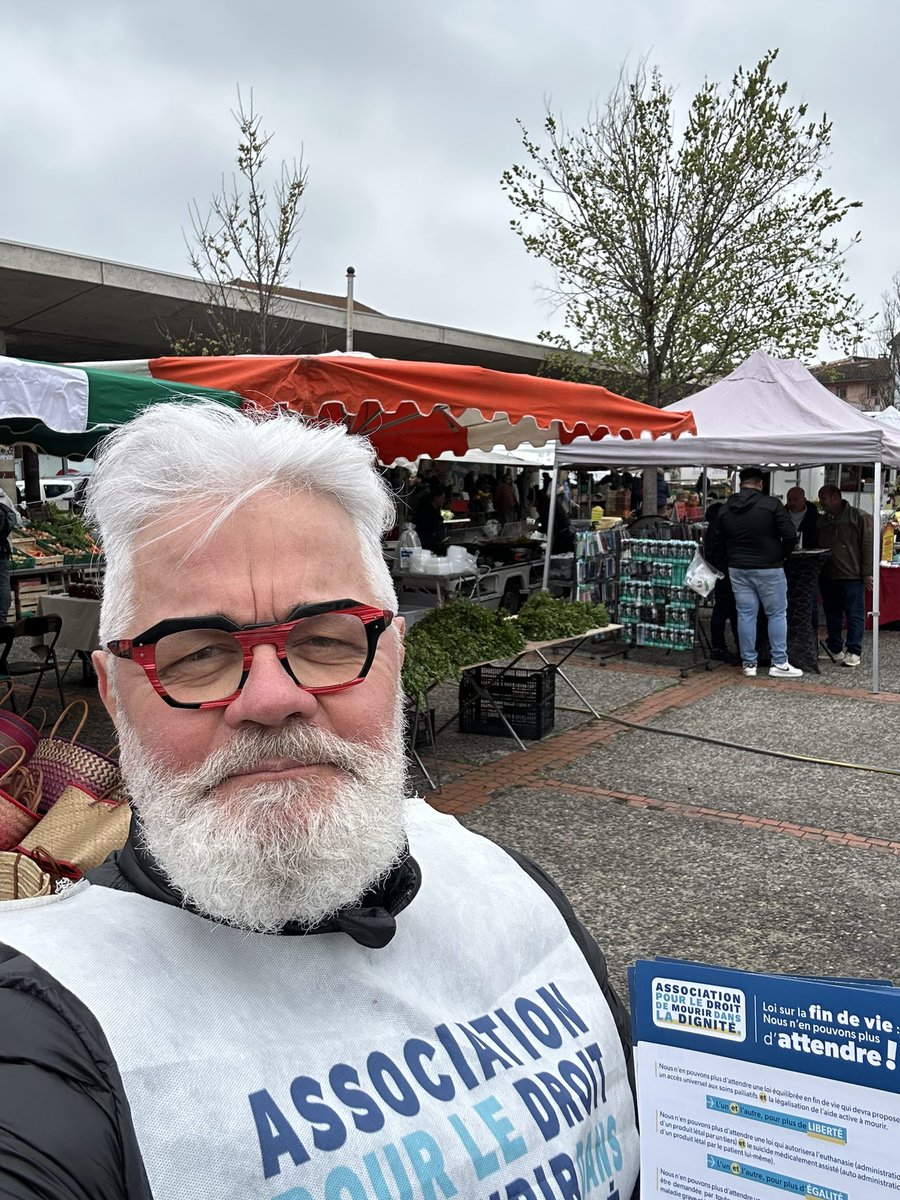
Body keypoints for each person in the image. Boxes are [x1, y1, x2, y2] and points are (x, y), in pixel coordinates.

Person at [0, 403, 640, 1199]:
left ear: (393, 657)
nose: (271, 699)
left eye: (326, 640)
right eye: (195, 655)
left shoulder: (507, 887)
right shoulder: (45, 1025)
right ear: (112, 692)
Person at [705, 466, 802, 679]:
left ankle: (749, 663)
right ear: (760, 484)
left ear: (741, 483)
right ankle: (779, 662)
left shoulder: (726, 508)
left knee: (745, 615)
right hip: (770, 567)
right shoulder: (771, 504)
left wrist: (726, 563)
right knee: (776, 614)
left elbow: (712, 542)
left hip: (738, 568)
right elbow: (790, 534)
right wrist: (782, 555)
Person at [816, 484, 873, 668]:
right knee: (832, 614)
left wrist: (867, 573)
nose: (821, 502)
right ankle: (835, 647)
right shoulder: (822, 521)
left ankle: (854, 650)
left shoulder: (859, 517)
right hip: (829, 575)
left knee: (854, 614)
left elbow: (869, 546)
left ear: (836, 497)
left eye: (824, 498)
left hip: (852, 575)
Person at [702, 500, 739, 663]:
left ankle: (722, 646)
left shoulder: (713, 528)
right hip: (725, 572)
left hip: (722, 572)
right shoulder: (720, 528)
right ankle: (719, 647)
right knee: (725, 610)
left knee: (725, 610)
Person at [412, 481, 447, 551]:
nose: (443, 501)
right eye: (442, 498)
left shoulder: (436, 511)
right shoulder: (425, 513)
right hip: (428, 545)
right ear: (436, 498)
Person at [0, 488, 18, 622]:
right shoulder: (4, 497)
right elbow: (18, 519)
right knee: (3, 584)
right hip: (3, 549)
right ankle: (2, 618)